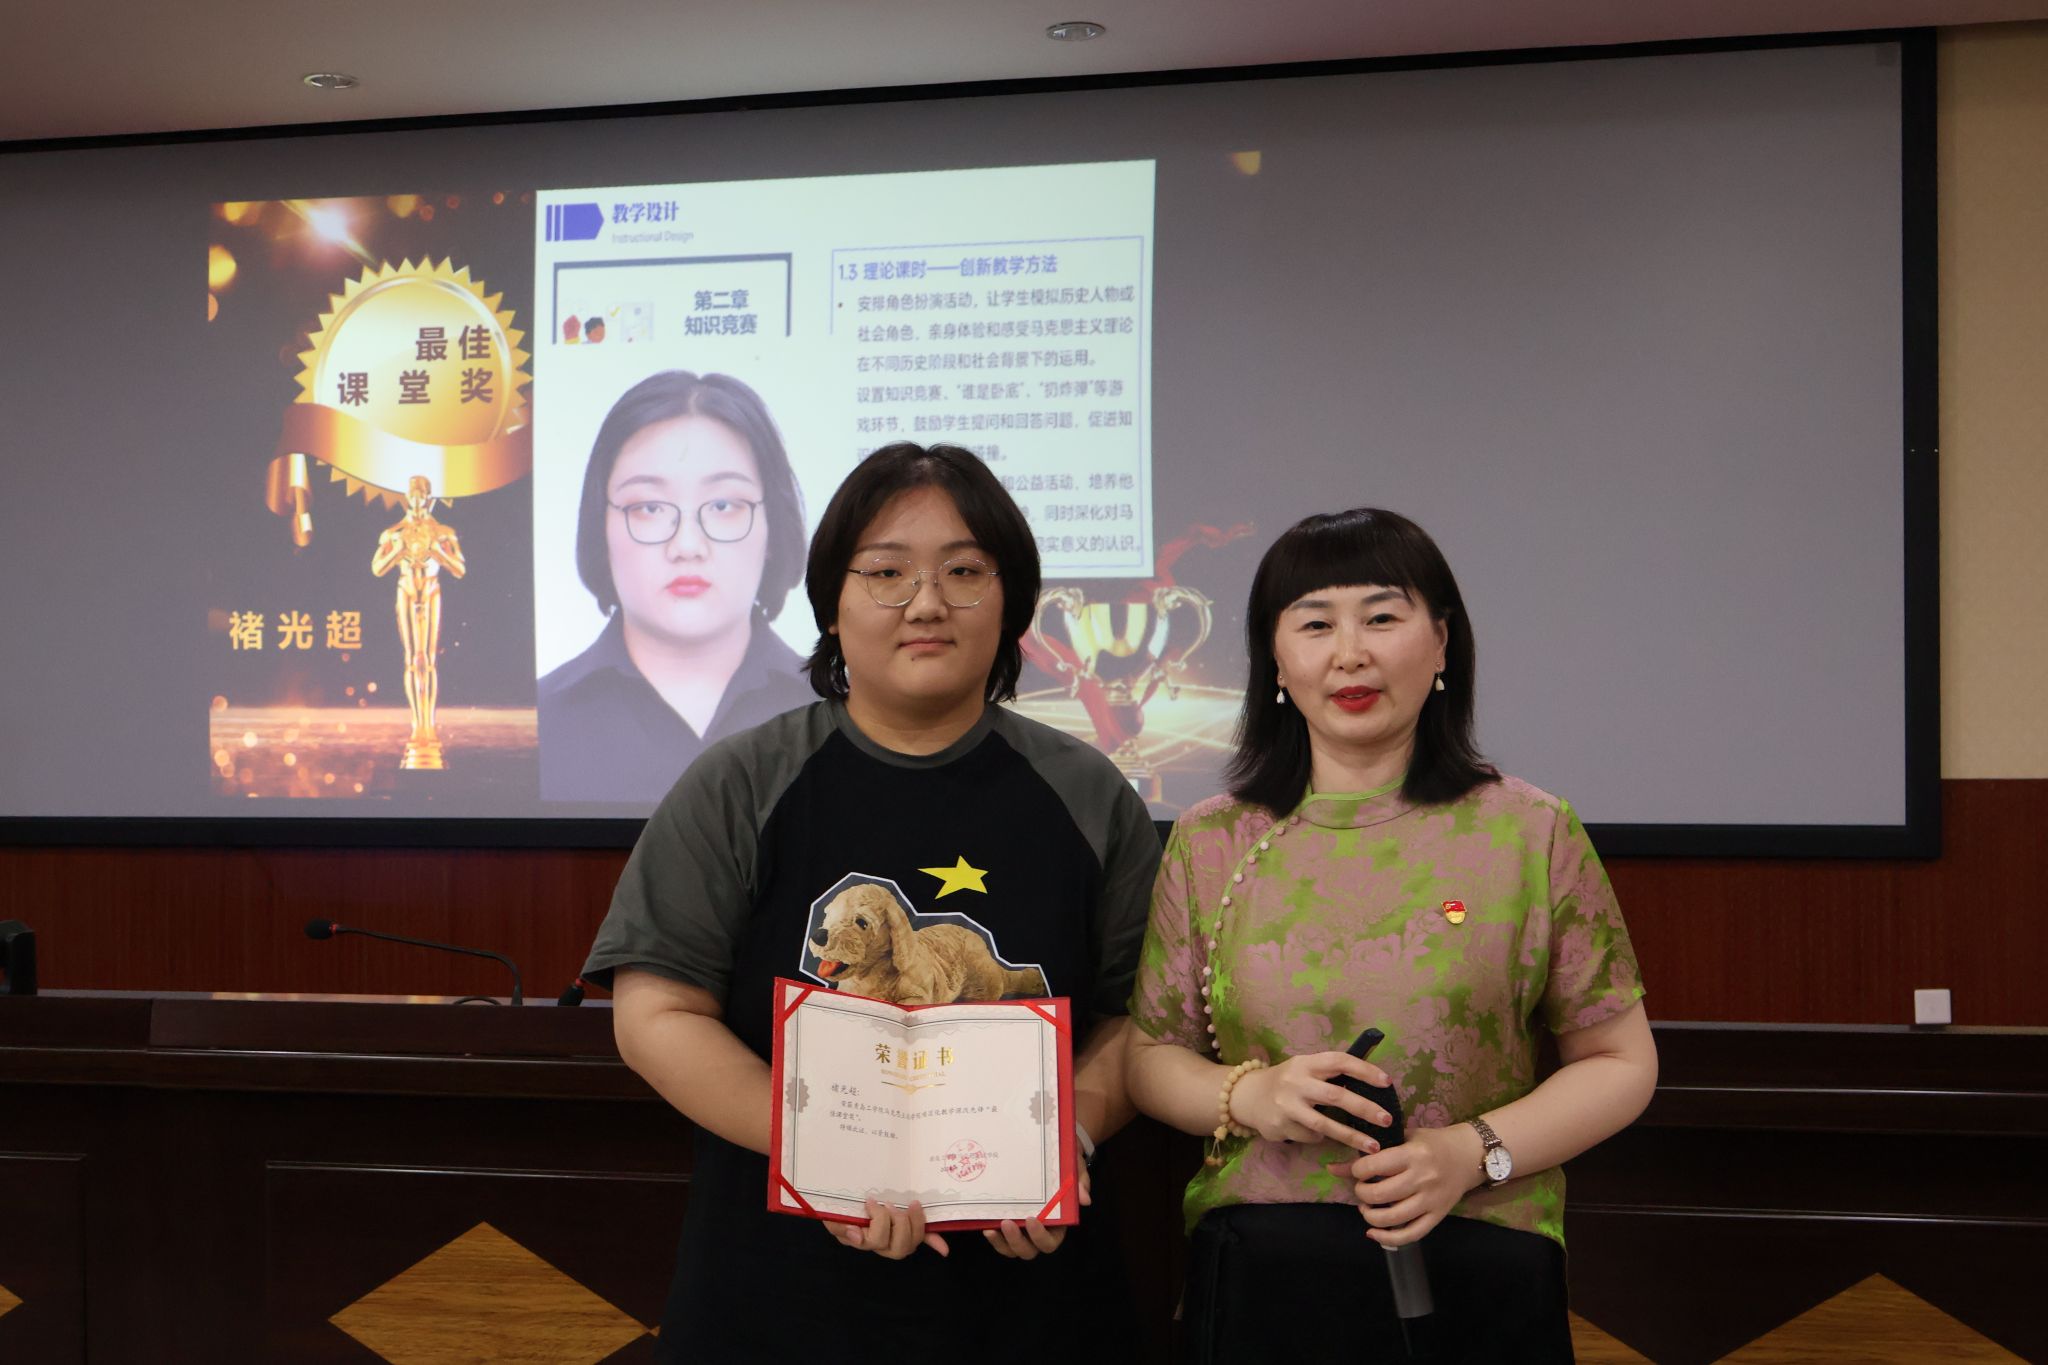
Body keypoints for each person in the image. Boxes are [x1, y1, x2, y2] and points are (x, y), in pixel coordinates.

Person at [579, 442, 1160, 1362]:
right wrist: (824, 1152)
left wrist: (1064, 1141)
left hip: (1028, 1300)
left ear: (1011, 602)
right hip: (777, 1297)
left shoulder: (1090, 795)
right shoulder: (741, 782)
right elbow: (656, 1012)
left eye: (964, 571)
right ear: (830, 604)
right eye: (887, 572)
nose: (926, 603)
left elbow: (1139, 1020)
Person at [1126, 507, 1656, 1364]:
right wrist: (1251, 1096)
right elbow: (1151, 1057)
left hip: (1480, 1259)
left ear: (1441, 642)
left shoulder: (1531, 830)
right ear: (1276, 661)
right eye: (1315, 624)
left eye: (1381, 616)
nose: (1350, 653)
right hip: (1268, 1269)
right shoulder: (1211, 839)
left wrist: (1468, 1153)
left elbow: (1621, 1062)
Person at [539, 371, 812, 803]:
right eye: (649, 508)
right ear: (600, 528)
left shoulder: (839, 716)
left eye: (723, 505)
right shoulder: (537, 724)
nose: (687, 546)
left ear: (773, 530)